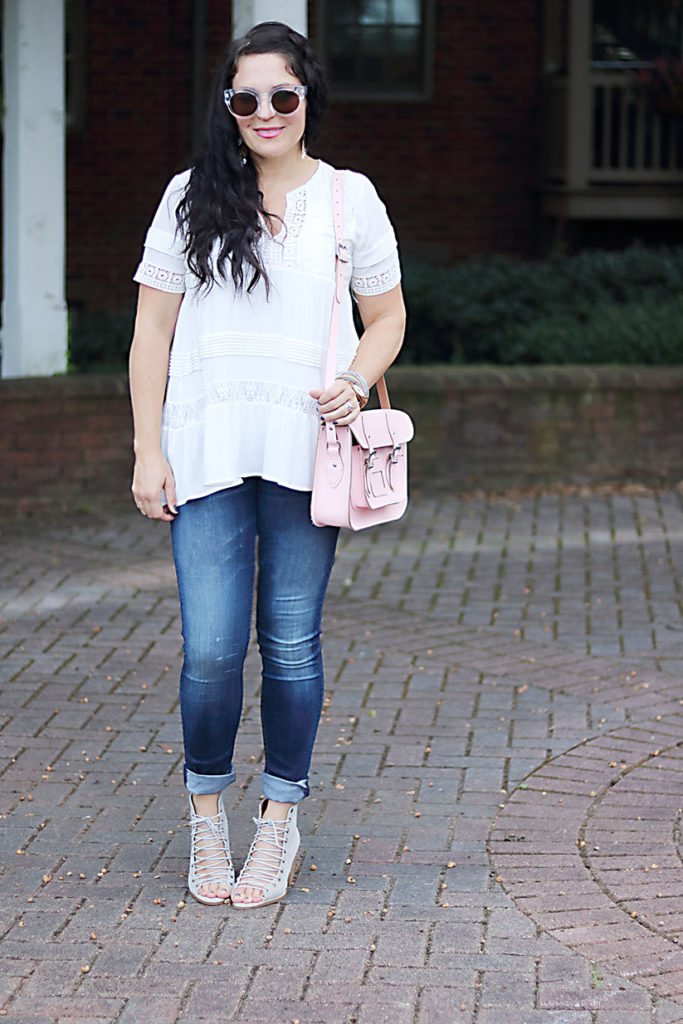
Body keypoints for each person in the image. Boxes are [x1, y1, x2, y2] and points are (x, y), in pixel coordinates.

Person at [129, 21, 405, 909]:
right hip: (204, 451)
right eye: (244, 98)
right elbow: (151, 333)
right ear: (228, 108)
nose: (264, 112)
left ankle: (278, 824)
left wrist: (356, 380)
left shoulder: (348, 199)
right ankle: (207, 822)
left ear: (307, 99)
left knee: (289, 647)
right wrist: (146, 448)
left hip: (305, 454)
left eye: (281, 96)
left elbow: (388, 317)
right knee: (210, 651)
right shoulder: (189, 196)